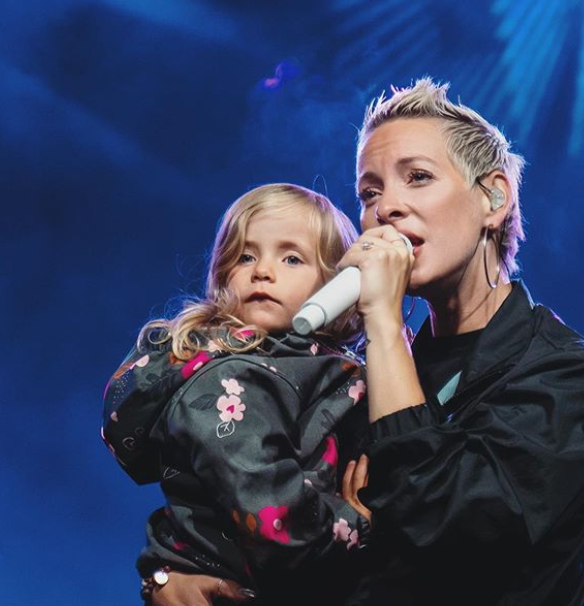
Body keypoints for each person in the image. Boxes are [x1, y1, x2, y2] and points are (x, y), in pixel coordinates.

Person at [149, 78, 584, 606]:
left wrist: (381, 318)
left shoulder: (561, 376)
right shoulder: (359, 378)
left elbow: (448, 527)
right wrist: (175, 572)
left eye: (418, 178)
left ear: (493, 197)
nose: (387, 209)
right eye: (370, 193)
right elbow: (261, 511)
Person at [101, 183, 374, 605]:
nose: (262, 270)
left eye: (291, 258)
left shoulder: (302, 366)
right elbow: (271, 513)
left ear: (335, 285)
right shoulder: (233, 378)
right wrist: (352, 524)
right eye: (246, 256)